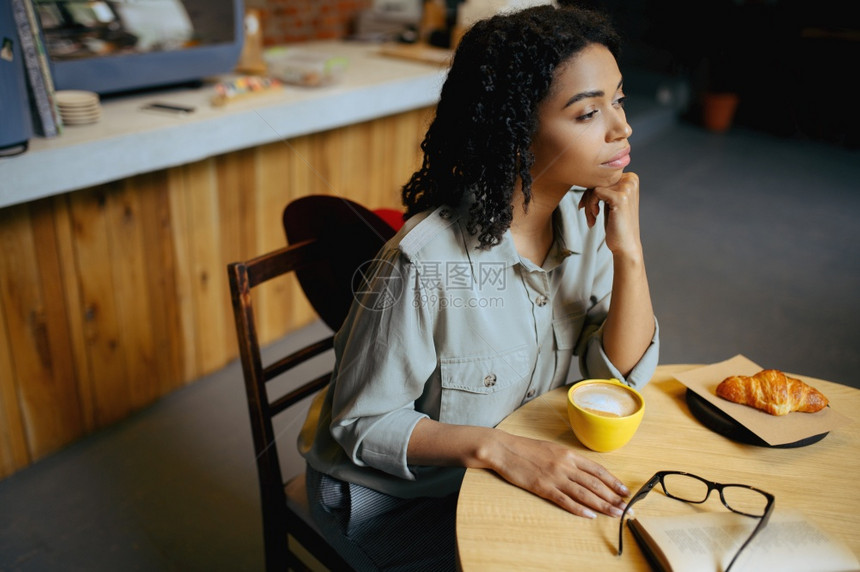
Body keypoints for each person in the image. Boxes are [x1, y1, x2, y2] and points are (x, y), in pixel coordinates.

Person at [299, 4, 659, 570]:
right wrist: (500, 450)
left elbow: (612, 378)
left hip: (487, 473)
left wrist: (629, 255)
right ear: (515, 130)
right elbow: (362, 423)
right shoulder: (421, 262)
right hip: (391, 500)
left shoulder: (588, 219)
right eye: (589, 113)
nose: (622, 127)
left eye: (618, 99)